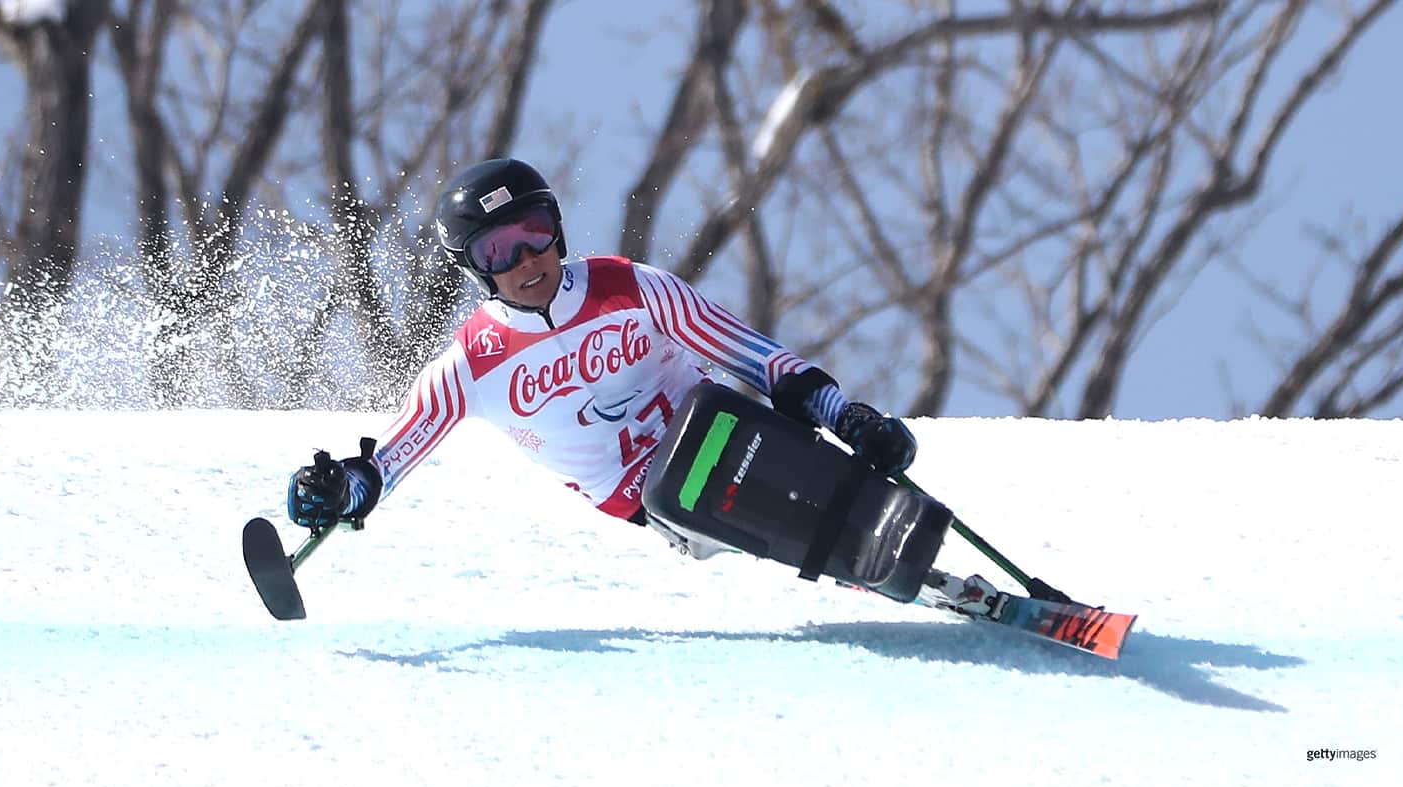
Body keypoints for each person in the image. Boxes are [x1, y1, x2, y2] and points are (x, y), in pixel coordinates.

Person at [286, 157, 996, 613]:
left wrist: (848, 417)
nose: (526, 258)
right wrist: (337, 491)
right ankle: (908, 578)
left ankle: (949, 562)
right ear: (476, 269)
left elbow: (755, 358)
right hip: (660, 500)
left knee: (796, 461)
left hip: (728, 431)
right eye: (499, 250)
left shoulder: (632, 287)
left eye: (533, 232)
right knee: (754, 505)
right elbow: (388, 464)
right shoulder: (472, 364)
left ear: (557, 229)